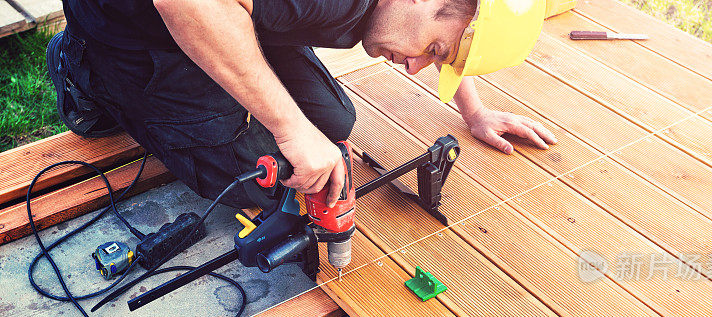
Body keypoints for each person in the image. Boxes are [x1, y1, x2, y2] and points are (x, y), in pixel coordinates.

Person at [47, 0, 557, 211]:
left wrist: (473, 110)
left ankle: (233, 34)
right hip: (132, 26)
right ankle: (83, 72)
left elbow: (459, 21)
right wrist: (289, 129)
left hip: (250, 10)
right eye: (434, 51)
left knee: (333, 125)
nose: (415, 66)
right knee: (265, 175)